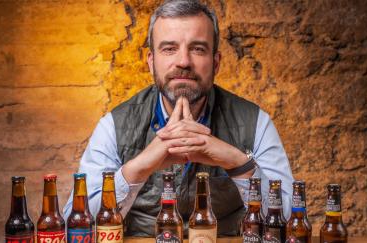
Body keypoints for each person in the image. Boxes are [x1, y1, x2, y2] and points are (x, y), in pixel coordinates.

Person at [63, 0, 293, 237]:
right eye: (169, 49)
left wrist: (238, 163)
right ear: (151, 62)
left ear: (216, 62)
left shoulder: (256, 122)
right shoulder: (114, 125)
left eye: (198, 49)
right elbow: (76, 226)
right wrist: (138, 168)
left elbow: (290, 223)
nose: (183, 61)